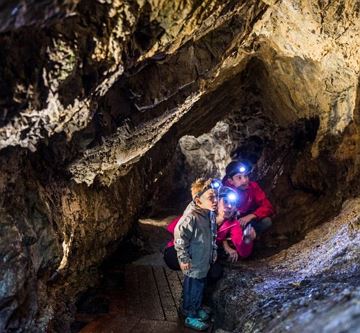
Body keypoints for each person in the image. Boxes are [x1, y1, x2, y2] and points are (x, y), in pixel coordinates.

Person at [174, 178, 218, 331]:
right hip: (193, 261)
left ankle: (196, 307)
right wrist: (183, 257)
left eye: (215, 196)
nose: (215, 200)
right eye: (210, 197)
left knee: (199, 286)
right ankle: (189, 315)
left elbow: (212, 235)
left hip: (203, 260)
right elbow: (180, 237)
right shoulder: (191, 217)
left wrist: (214, 252)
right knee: (192, 287)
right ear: (198, 200)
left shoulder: (208, 214)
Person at [222, 159, 274, 237]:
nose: (244, 181)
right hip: (231, 223)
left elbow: (267, 206)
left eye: (245, 176)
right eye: (239, 178)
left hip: (247, 220)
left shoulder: (253, 187)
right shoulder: (224, 192)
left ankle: (251, 238)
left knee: (266, 222)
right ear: (230, 181)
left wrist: (252, 216)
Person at [216, 186, 256, 262]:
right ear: (217, 201)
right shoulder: (205, 215)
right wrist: (225, 245)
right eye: (225, 201)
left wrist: (247, 240)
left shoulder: (233, 223)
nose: (229, 206)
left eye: (233, 203)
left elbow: (244, 252)